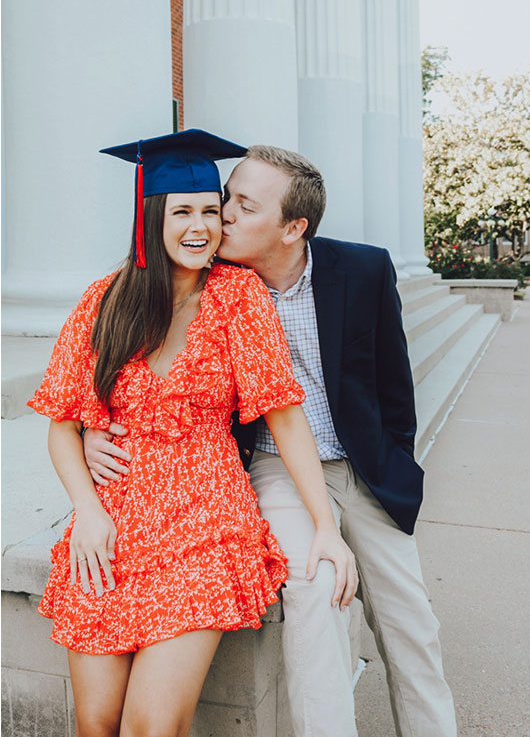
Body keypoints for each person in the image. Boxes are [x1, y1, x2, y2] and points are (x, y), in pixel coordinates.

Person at [85, 143, 458, 737]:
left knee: (411, 621)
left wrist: (395, 463)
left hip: (364, 467)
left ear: (293, 228)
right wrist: (91, 430)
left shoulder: (361, 270)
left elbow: (394, 383)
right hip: (274, 466)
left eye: (241, 206)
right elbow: (136, 359)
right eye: (226, 197)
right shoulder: (218, 282)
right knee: (313, 590)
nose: (221, 215)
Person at [29, 130, 357, 737]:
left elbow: (285, 415)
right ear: (150, 217)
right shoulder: (103, 302)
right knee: (95, 724)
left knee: (150, 729)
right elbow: (62, 426)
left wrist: (325, 528)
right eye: (182, 212)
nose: (201, 226)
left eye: (212, 210)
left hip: (204, 526)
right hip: (113, 525)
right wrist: (88, 511)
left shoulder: (238, 297)